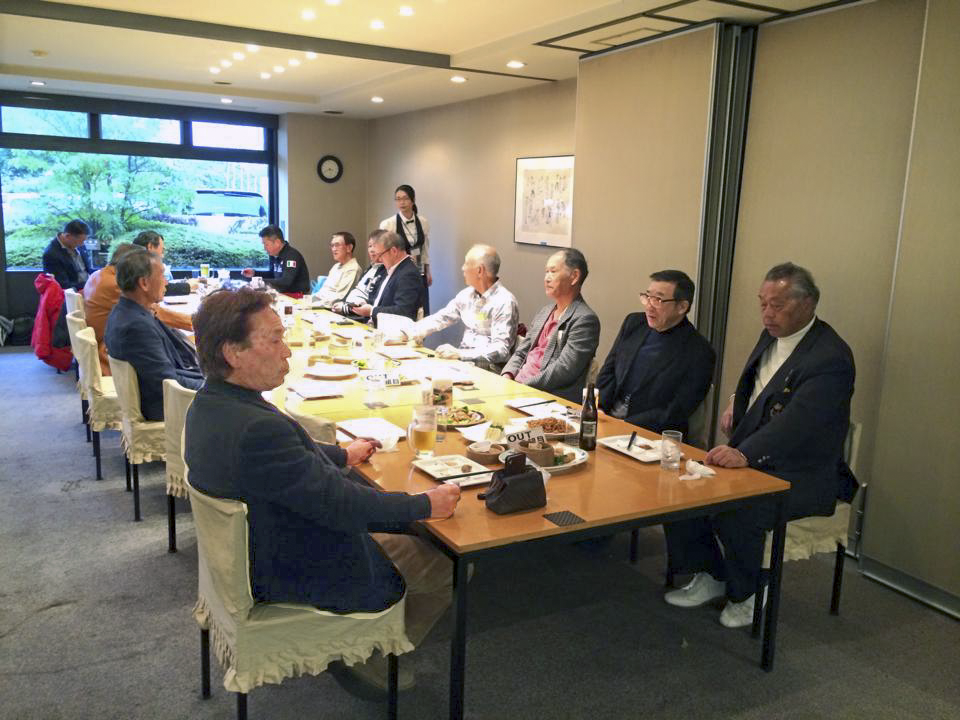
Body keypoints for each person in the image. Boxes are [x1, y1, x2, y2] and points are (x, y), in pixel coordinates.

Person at [185, 288, 461, 690]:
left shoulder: (212, 403)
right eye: (275, 340)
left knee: (398, 520)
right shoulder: (259, 430)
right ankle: (364, 653)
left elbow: (287, 461)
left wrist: (342, 454)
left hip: (252, 547)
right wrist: (423, 504)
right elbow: (341, 505)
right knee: (446, 564)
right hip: (297, 564)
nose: (286, 352)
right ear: (233, 353)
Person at [662, 262, 856, 629]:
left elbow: (798, 423)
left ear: (808, 303)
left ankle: (748, 593)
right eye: (763, 303)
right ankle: (711, 573)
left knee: (738, 511)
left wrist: (745, 453)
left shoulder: (830, 358)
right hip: (756, 457)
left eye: (777, 305)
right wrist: (736, 400)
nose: (767, 313)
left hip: (802, 472)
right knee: (678, 488)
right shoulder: (772, 334)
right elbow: (762, 384)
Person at [597, 270, 715, 436]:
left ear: (682, 307)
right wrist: (599, 407)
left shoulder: (699, 351)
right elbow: (608, 372)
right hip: (607, 420)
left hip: (650, 434)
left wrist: (625, 425)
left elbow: (675, 411)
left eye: (658, 300)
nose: (649, 305)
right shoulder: (634, 323)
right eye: (647, 296)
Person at [104, 248, 203, 421]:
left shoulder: (124, 310)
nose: (166, 282)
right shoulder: (136, 327)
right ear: (144, 283)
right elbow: (168, 383)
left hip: (159, 394)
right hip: (164, 407)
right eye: (162, 275)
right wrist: (213, 389)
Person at [502, 249, 600, 403]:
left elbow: (564, 369)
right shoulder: (545, 312)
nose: (547, 278)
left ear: (574, 276)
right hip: (517, 388)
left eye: (553, 271)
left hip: (547, 396)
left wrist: (522, 386)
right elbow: (522, 351)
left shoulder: (585, 319)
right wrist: (507, 376)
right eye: (546, 272)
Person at [83, 243, 193, 376]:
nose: (166, 282)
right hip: (109, 355)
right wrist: (198, 323)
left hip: (109, 345)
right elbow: (159, 313)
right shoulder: (116, 286)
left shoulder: (99, 275)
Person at [407, 244, 519, 373]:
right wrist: (412, 331)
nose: (463, 268)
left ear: (480, 270)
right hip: (463, 363)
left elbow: (501, 350)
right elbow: (442, 318)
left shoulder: (504, 302)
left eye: (466, 263)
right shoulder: (467, 295)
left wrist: (461, 354)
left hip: (488, 369)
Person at [351, 231, 424, 326]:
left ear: (394, 251)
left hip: (394, 331)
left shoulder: (408, 274)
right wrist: (365, 303)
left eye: (380, 255)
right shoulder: (393, 268)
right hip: (376, 325)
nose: (379, 259)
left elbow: (403, 311)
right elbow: (383, 301)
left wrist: (371, 311)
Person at [379, 184, 430, 312]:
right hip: (399, 273)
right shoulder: (388, 224)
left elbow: (425, 248)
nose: (401, 202)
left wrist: (428, 271)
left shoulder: (423, 222)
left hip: (419, 270)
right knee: (404, 307)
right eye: (398, 199)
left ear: (413, 200)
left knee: (422, 307)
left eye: (405, 198)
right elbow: (383, 252)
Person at [331, 230, 388, 320]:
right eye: (370, 246)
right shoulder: (370, 268)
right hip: (346, 308)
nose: (372, 250)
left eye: (375, 246)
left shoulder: (386, 272)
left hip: (357, 315)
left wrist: (346, 308)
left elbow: (371, 301)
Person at [241, 225, 311, 296]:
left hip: (297, 297)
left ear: (277, 242)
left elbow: (285, 282)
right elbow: (273, 275)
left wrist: (259, 282)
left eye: (266, 244)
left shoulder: (292, 256)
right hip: (283, 295)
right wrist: (254, 273)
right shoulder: (277, 255)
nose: (264, 248)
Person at [131, 230, 198, 296]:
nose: (162, 256)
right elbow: (158, 288)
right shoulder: (138, 267)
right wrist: (188, 286)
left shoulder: (133, 262)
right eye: (162, 250)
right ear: (150, 247)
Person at [312, 231, 361, 308]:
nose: (334, 249)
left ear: (349, 248)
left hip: (331, 309)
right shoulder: (335, 266)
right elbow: (322, 293)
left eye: (337, 245)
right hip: (320, 305)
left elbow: (339, 299)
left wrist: (312, 305)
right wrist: (306, 301)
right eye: (332, 246)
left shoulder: (353, 269)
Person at [42, 219, 94, 291]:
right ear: (67, 236)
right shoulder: (51, 254)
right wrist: (90, 284)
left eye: (84, 241)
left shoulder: (78, 243)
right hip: (73, 293)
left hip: (88, 286)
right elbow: (63, 285)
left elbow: (87, 269)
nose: (82, 244)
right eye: (80, 241)